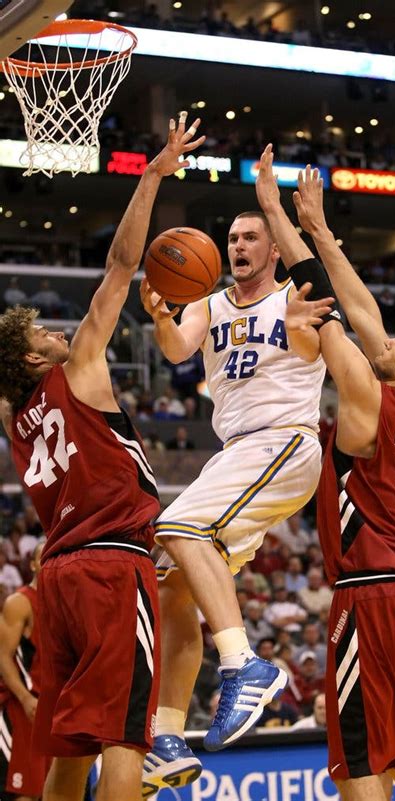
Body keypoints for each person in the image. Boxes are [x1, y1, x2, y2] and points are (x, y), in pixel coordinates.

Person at [0, 112, 204, 801]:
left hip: (57, 580)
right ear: (34, 359)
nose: (56, 330)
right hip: (112, 566)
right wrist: (152, 175)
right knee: (123, 736)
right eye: (40, 332)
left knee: (69, 747)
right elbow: (121, 264)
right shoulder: (80, 364)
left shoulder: (14, 415)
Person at [255, 143, 395, 801]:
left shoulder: (367, 394)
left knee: (360, 762)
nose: (388, 340)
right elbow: (363, 307)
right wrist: (317, 228)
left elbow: (326, 307)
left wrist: (275, 214)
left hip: (370, 595)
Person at [140, 206, 333, 790]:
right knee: (173, 585)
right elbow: (178, 350)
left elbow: (316, 346)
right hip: (235, 455)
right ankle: (167, 737)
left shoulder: (295, 296)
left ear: (274, 250)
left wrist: (300, 324)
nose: (239, 246)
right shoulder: (209, 303)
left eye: (251, 237)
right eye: (232, 239)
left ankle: (243, 663)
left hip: (283, 439)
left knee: (176, 525)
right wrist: (161, 318)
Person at [0, 542, 49, 801]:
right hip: (24, 708)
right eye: (43, 558)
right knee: (24, 792)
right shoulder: (19, 602)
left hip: (54, 710)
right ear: (32, 565)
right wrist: (25, 697)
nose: (49, 563)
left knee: (54, 789)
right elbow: (2, 657)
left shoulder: (66, 601)